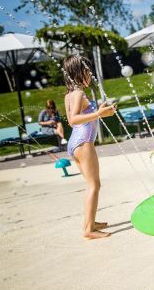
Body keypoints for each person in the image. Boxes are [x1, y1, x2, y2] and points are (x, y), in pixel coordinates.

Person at [63, 55, 117, 240]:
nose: (90, 75)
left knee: (91, 184)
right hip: (84, 142)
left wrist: (100, 112)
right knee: (94, 185)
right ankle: (88, 230)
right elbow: (73, 120)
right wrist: (98, 113)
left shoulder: (69, 95)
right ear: (78, 72)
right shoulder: (78, 94)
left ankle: (90, 222)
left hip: (74, 144)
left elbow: (81, 118)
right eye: (87, 71)